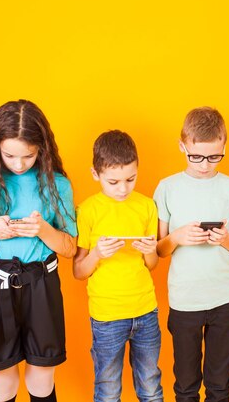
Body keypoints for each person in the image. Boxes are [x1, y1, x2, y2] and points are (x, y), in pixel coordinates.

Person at [0, 100, 77, 402]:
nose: (19, 164)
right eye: (9, 155)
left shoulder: (57, 183)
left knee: (41, 378)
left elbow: (71, 248)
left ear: (42, 149)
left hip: (42, 284)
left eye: (29, 156)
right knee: (3, 382)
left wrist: (44, 231)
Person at [153, 107, 229, 402]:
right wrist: (177, 236)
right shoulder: (167, 188)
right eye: (195, 156)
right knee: (185, 385)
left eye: (214, 157)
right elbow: (159, 250)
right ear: (182, 146)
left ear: (224, 147)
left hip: (224, 298)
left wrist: (225, 240)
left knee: (219, 384)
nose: (205, 165)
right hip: (184, 301)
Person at [73, 130, 164, 402]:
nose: (123, 189)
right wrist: (97, 253)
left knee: (150, 386)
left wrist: (150, 251)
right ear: (95, 174)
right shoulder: (88, 210)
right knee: (108, 388)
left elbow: (153, 265)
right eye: (113, 182)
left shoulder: (147, 206)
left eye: (130, 179)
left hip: (146, 311)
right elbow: (78, 271)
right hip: (107, 315)